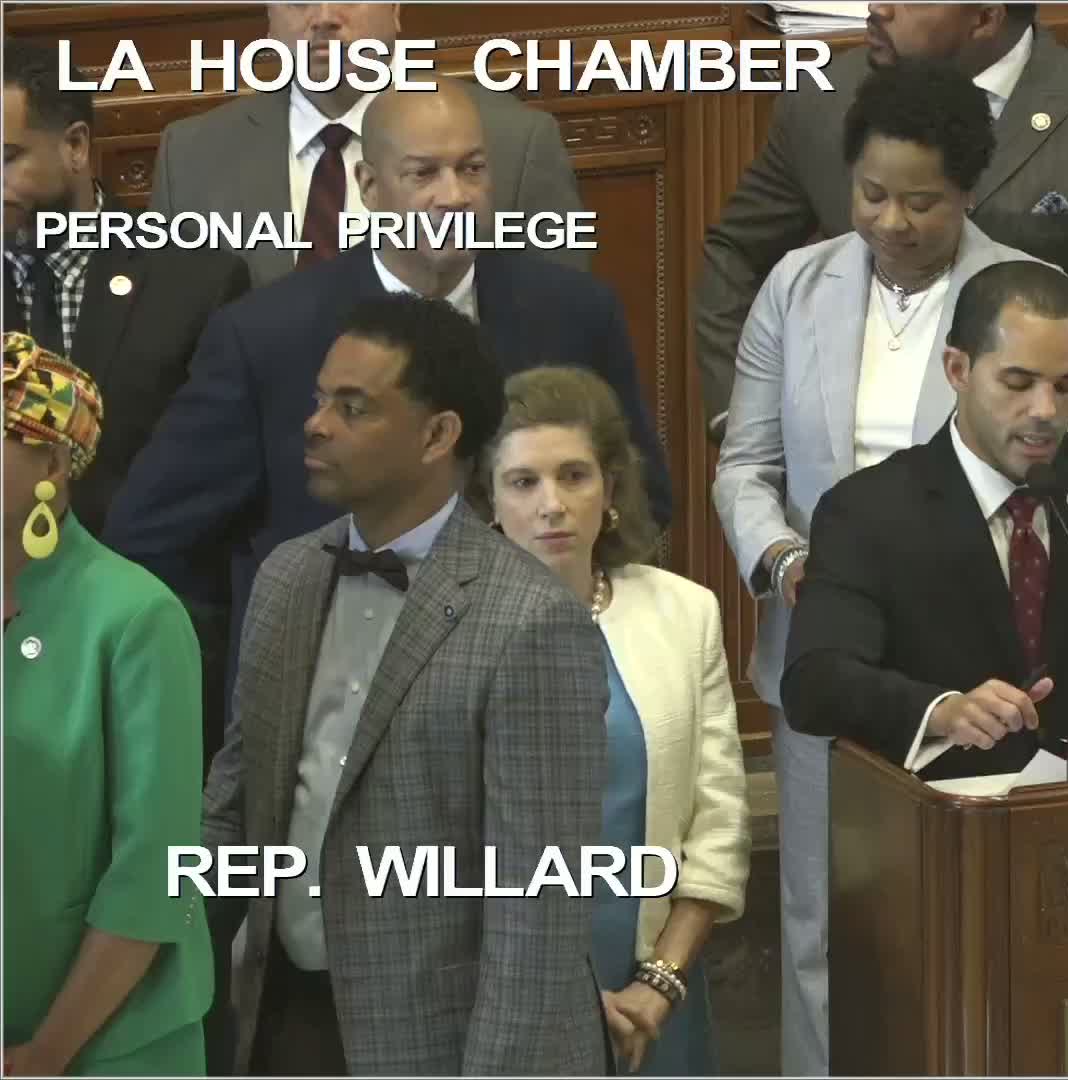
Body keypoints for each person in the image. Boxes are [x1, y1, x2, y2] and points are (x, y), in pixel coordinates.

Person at [709, 60, 1068, 1076]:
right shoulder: (798, 285)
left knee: (963, 917)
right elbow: (746, 465)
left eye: (922, 201)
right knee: (822, 916)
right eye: (872, 193)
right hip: (822, 653)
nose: (891, 221)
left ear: (967, 191)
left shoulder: (1022, 297)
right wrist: (783, 555)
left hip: (971, 667)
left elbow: (1050, 474)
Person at [107, 81, 670, 701]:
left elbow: (641, 497)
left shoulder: (573, 313)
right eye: (424, 174)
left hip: (536, 679)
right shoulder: (266, 335)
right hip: (331, 692)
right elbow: (152, 534)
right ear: (370, 187)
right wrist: (253, 651)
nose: (453, 196)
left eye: (472, 169)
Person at [202, 294, 608, 1074]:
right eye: (321, 399)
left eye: (353, 408)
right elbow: (235, 799)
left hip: (442, 1042)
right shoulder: (286, 577)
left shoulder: (532, 622)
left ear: (437, 435)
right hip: (280, 1019)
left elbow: (539, 909)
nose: (316, 424)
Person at [783, 260, 1068, 779]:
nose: (1045, 410)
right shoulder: (867, 509)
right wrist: (940, 710)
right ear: (958, 370)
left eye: (1067, 386)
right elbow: (816, 680)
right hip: (944, 803)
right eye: (1019, 383)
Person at [695, 2, 1068, 442]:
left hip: (1028, 475)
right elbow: (737, 252)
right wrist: (740, 419)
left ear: (985, 18)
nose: (877, 7)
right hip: (843, 472)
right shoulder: (824, 101)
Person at [476, 365, 750, 1076]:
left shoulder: (684, 612)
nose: (553, 505)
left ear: (611, 488)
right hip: (503, 998)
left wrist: (660, 983)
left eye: (574, 476)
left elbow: (717, 824)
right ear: (489, 501)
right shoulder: (450, 633)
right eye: (523, 482)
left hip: (657, 997)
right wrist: (567, 999)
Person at [2, 332, 212, 1075]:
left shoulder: (135, 616)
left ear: (51, 465)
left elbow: (155, 873)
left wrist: (42, 1057)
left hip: (106, 1043)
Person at [147, 2, 586, 284]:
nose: (323, 16)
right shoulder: (191, 157)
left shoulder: (512, 141)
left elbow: (559, 331)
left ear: (395, 9)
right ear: (269, 18)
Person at [4, 38, 252, 534]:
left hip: (146, 571)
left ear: (76, 146)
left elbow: (212, 478)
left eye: (6, 157)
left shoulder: (197, 280)